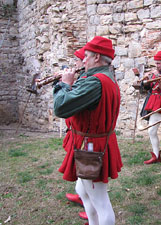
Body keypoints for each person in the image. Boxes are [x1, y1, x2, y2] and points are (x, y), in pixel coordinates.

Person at [53, 36, 122, 225]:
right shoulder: (105, 77)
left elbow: (61, 108)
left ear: (97, 57)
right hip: (95, 143)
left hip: (91, 147)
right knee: (83, 191)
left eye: (87, 56)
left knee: (101, 202)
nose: (83, 60)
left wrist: (65, 85)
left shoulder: (95, 82)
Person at [61, 47, 88, 220]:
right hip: (78, 131)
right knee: (82, 174)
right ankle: (83, 197)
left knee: (88, 176)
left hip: (87, 135)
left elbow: (65, 105)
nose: (77, 64)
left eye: (78, 60)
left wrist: (65, 86)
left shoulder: (89, 80)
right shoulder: (85, 78)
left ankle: (88, 203)